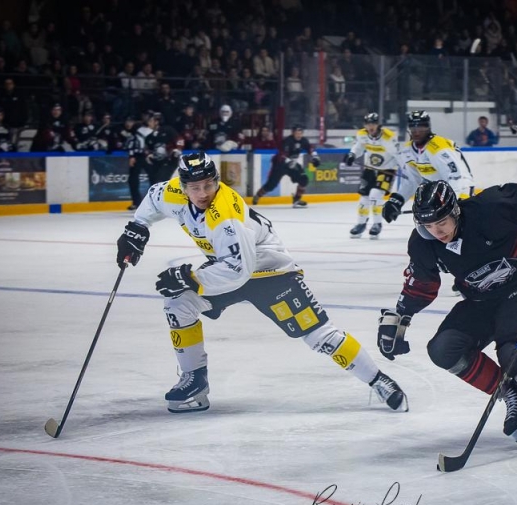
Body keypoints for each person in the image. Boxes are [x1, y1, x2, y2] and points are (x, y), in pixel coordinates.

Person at [115, 152, 407, 413]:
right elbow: (153, 197)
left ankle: (378, 380)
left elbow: (238, 272)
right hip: (226, 267)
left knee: (319, 335)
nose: (203, 193)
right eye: (195, 187)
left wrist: (189, 278)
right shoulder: (173, 194)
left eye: (208, 185)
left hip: (270, 272)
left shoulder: (226, 215)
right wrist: (136, 228)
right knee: (178, 303)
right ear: (182, 187)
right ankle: (195, 381)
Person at [377, 180, 517, 455]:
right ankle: (510, 391)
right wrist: (400, 316)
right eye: (428, 226)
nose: (436, 231)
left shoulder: (491, 208)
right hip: (481, 300)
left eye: (442, 222)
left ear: (455, 211)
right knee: (443, 349)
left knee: (515, 356)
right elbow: (422, 285)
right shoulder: (424, 242)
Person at [382, 110, 474, 224]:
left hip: (462, 187)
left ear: (428, 128)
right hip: (438, 189)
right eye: (413, 129)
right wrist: (396, 201)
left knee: (461, 224)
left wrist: (453, 201)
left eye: (421, 129)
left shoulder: (438, 147)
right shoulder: (407, 151)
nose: (417, 132)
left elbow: (456, 177)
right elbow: (412, 181)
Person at [344, 113, 400, 238]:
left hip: (387, 170)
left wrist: (406, 167)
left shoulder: (388, 137)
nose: (371, 126)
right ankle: (361, 224)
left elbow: (398, 154)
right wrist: (352, 155)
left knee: (375, 195)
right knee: (364, 198)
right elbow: (358, 147)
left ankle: (377, 224)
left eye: (373, 123)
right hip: (369, 168)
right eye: (368, 124)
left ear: (378, 124)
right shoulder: (362, 134)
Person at [252, 125, 320, 208]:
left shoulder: (303, 140)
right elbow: (283, 155)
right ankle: (258, 195)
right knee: (271, 185)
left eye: (300, 133)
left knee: (304, 179)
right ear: (293, 133)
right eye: (297, 133)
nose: (299, 135)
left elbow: (310, 149)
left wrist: (315, 157)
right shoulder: (288, 141)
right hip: (280, 165)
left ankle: (296, 200)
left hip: (293, 164)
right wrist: (288, 161)